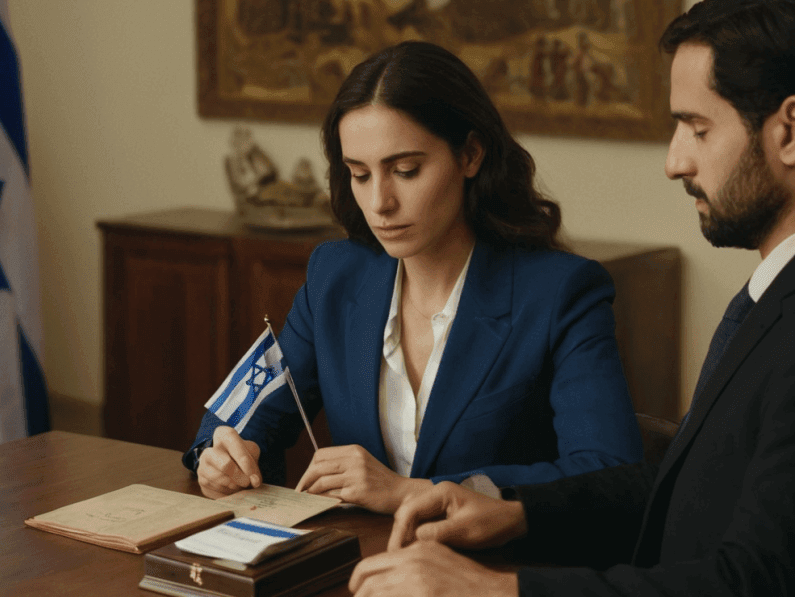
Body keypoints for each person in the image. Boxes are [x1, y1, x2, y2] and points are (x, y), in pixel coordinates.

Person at [348, 1, 795, 597]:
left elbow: (756, 590)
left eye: (697, 128)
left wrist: (500, 596)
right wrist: (513, 510)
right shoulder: (767, 294)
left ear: (790, 131)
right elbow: (685, 490)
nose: (675, 162)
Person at [182, 41, 642, 515]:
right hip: (363, 570)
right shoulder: (336, 276)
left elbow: (608, 475)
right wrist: (221, 456)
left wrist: (415, 493)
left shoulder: (560, 294)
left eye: (405, 170)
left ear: (471, 155)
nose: (380, 202)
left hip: (495, 574)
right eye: (359, 175)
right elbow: (237, 419)